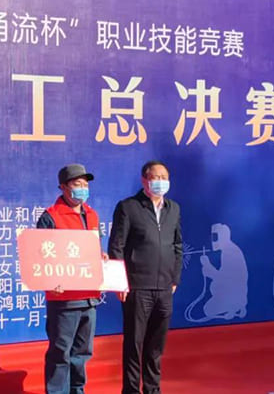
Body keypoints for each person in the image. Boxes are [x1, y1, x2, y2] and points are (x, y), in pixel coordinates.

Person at [108, 160, 183, 394]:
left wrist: (174, 278)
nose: (160, 182)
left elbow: (177, 245)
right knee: (134, 343)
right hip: (137, 287)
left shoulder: (173, 208)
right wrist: (119, 282)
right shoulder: (129, 207)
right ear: (144, 180)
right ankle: (131, 390)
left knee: (156, 345)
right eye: (156, 177)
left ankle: (152, 389)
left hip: (164, 288)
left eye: (164, 177)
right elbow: (116, 246)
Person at [36, 163, 105, 394]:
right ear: (63, 187)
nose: (83, 189)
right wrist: (49, 281)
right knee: (60, 352)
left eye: (85, 184)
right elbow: (39, 256)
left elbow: (93, 249)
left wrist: (102, 257)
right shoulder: (50, 217)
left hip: (90, 296)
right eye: (77, 184)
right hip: (64, 299)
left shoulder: (92, 215)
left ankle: (77, 391)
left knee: (82, 353)